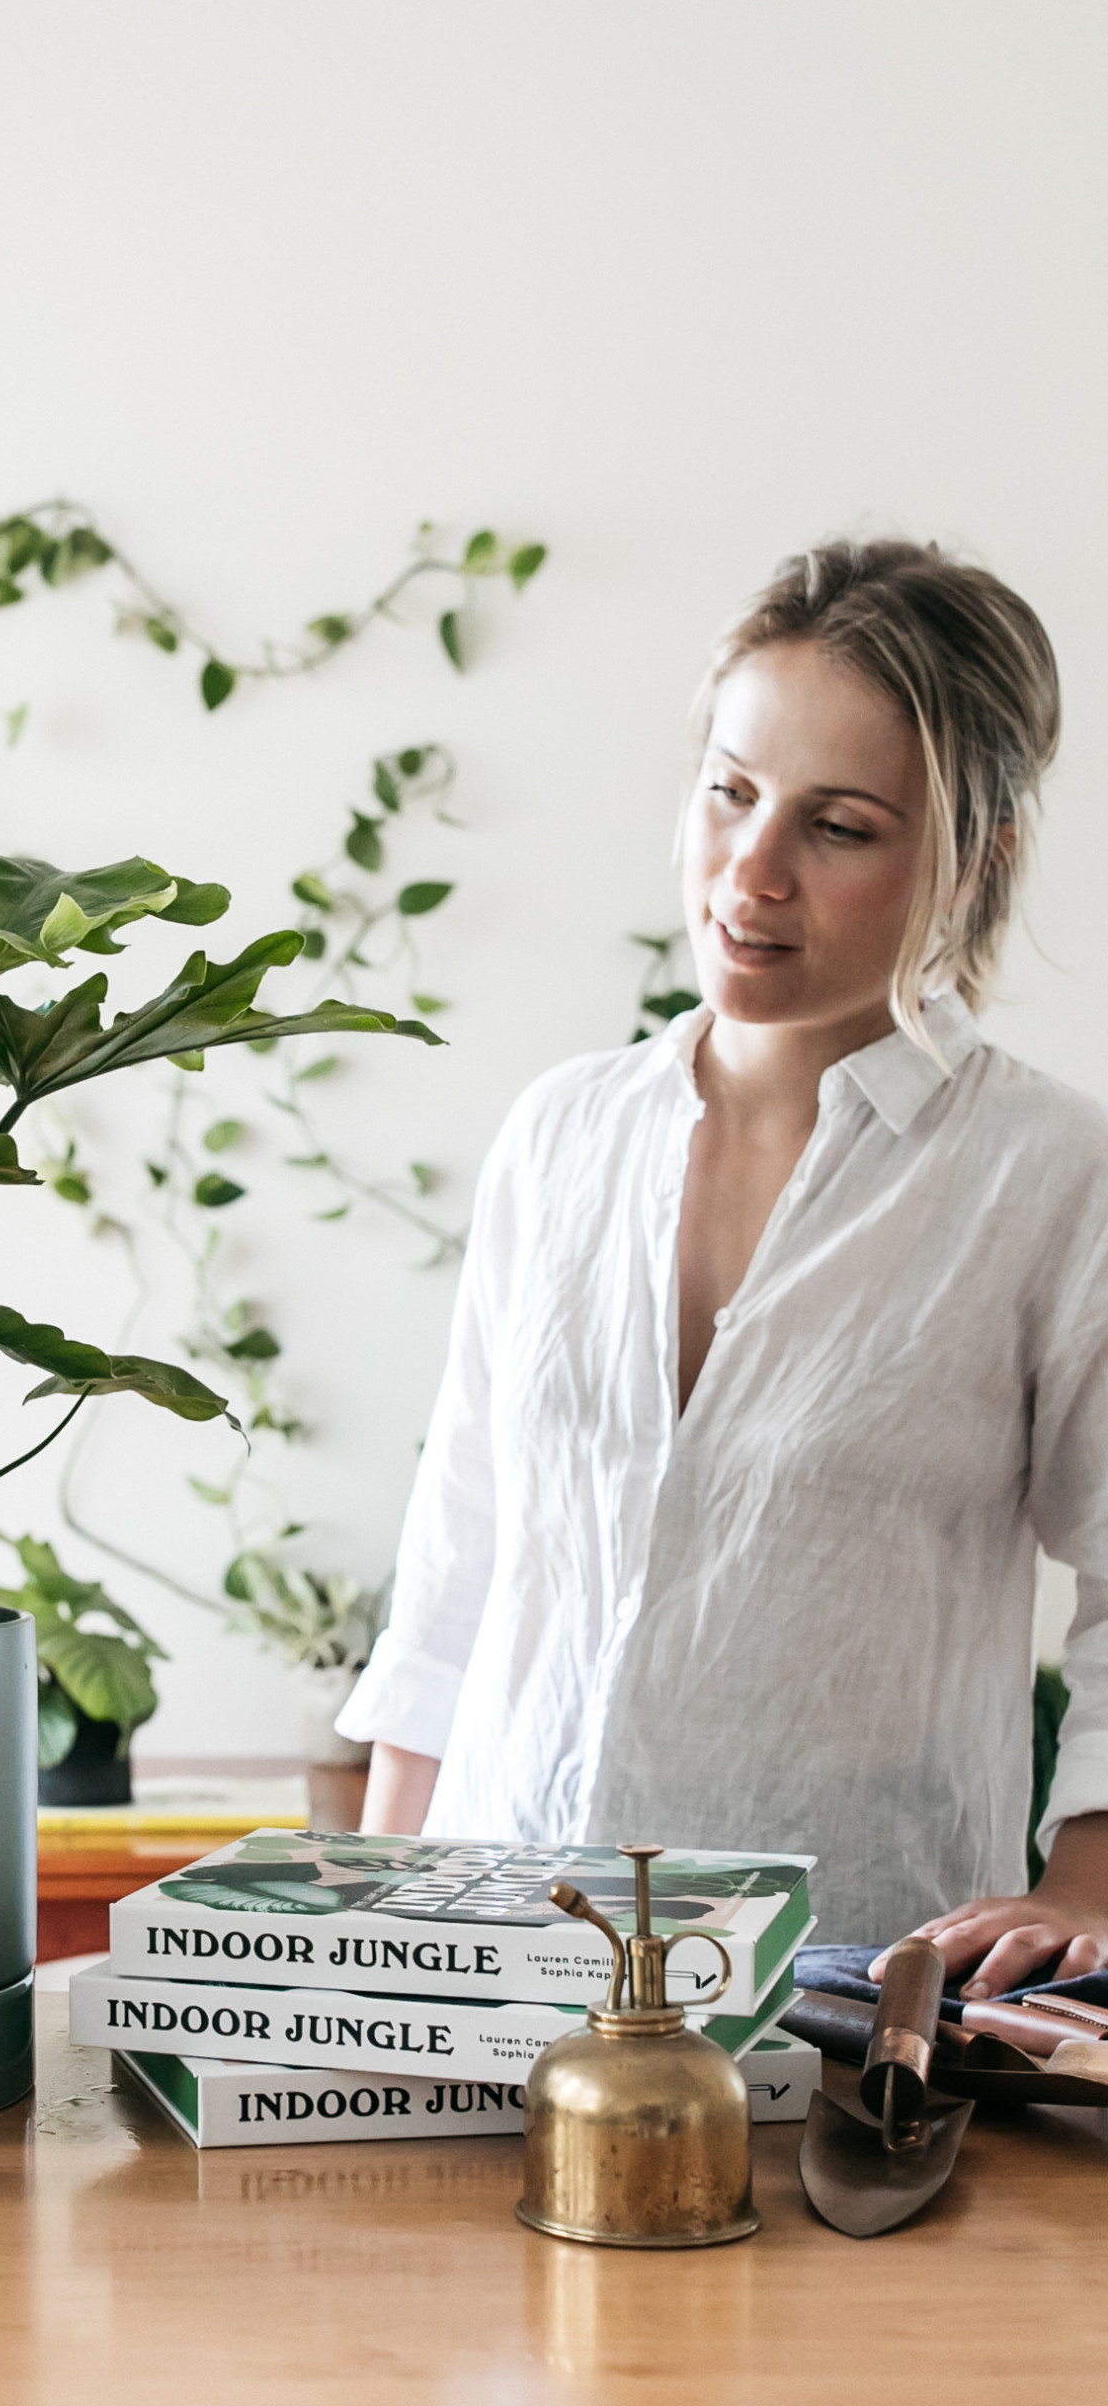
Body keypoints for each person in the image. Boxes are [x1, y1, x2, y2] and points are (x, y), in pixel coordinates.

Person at [339, 540, 1108, 1989]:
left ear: (977, 855)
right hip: (493, 1981)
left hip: (843, 1995)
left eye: (843, 827)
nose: (751, 874)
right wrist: (364, 1938)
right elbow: (459, 1570)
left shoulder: (1052, 1176)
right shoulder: (559, 1135)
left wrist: (1090, 1881)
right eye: (731, 794)